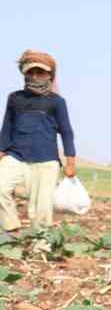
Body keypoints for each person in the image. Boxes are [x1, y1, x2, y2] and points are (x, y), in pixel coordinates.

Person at [0, 50, 77, 236]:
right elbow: (6, 128)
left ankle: (40, 244)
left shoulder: (56, 102)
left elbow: (66, 132)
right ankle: (13, 230)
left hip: (46, 161)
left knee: (41, 208)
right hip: (16, 156)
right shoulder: (15, 98)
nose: (34, 76)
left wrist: (70, 161)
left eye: (40, 72)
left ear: (50, 75)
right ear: (24, 73)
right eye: (30, 72)